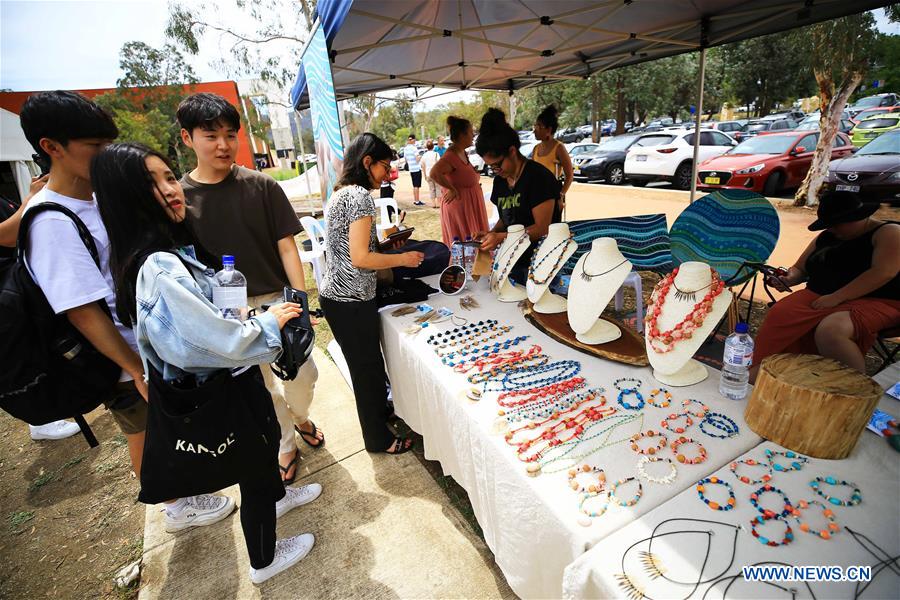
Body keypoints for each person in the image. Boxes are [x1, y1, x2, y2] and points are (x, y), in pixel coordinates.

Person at [92, 142, 321, 584]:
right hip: (219, 388)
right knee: (254, 465)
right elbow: (212, 342)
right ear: (126, 198)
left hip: (235, 382)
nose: (171, 190)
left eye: (168, 176)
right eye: (152, 183)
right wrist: (268, 324)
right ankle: (264, 559)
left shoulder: (172, 252)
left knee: (268, 438)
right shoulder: (158, 268)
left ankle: (278, 498)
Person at [19, 91, 233, 530]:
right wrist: (133, 366)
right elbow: (81, 310)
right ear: (51, 148)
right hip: (121, 357)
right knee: (143, 432)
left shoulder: (94, 199)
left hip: (148, 344)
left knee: (165, 429)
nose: (104, 157)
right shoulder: (51, 220)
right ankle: (174, 507)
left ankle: (182, 490)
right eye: (94, 148)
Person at [176, 93, 322, 486]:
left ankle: (302, 415)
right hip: (229, 314)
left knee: (302, 374)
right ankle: (286, 444)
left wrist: (300, 302)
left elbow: (287, 246)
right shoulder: (179, 199)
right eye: (211, 136)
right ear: (188, 139)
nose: (223, 145)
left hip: (277, 299)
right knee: (260, 386)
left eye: (229, 134)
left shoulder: (261, 186)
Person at [319, 132, 422, 454]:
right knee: (367, 374)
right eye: (384, 166)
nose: (388, 174)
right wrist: (402, 258)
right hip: (349, 301)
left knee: (370, 368)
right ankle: (378, 439)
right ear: (367, 162)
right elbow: (361, 258)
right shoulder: (359, 197)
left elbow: (354, 249)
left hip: (342, 299)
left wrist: (387, 247)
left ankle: (380, 415)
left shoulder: (342, 193)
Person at [752, 191, 900, 379]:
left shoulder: (888, 232)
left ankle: (854, 389)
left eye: (835, 224)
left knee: (831, 329)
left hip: (877, 299)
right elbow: (800, 268)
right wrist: (788, 279)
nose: (830, 229)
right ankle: (766, 373)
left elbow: (883, 272)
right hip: (822, 295)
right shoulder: (828, 236)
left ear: (857, 218)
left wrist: (838, 297)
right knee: (781, 312)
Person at [0, 174, 80, 441]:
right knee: (25, 354)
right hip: (7, 296)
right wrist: (32, 198)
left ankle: (48, 411)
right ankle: (43, 418)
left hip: (16, 288)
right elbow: (6, 236)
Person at [473, 108, 561, 280]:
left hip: (542, 264)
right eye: (491, 167)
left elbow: (542, 228)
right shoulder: (500, 181)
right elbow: (507, 217)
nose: (496, 171)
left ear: (512, 151)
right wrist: (491, 234)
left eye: (497, 165)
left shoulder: (538, 178)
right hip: (512, 261)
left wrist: (501, 237)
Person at [430, 116, 489, 246]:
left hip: (470, 205)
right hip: (461, 208)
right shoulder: (451, 155)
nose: (473, 135)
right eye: (470, 132)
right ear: (462, 135)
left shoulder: (462, 152)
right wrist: (451, 189)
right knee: (465, 248)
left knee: (475, 245)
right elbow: (434, 173)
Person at [532, 105, 573, 216]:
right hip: (537, 192)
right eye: (535, 126)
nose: (534, 130)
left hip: (553, 192)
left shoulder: (559, 148)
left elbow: (569, 175)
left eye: (539, 126)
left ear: (549, 130)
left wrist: (561, 195)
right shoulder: (535, 149)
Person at [419, 140, 441, 208]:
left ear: (426, 147)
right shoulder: (436, 154)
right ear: (433, 147)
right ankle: (438, 203)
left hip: (428, 174)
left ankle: (433, 203)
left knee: (431, 189)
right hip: (436, 174)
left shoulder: (424, 155)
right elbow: (439, 164)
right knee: (438, 188)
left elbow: (422, 165)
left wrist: (425, 175)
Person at [403, 134, 423, 206]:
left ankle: (416, 200)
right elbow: (417, 159)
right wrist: (420, 157)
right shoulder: (414, 148)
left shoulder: (405, 149)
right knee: (417, 186)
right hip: (416, 168)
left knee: (414, 185)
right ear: (414, 140)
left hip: (411, 169)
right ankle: (417, 201)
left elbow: (406, 160)